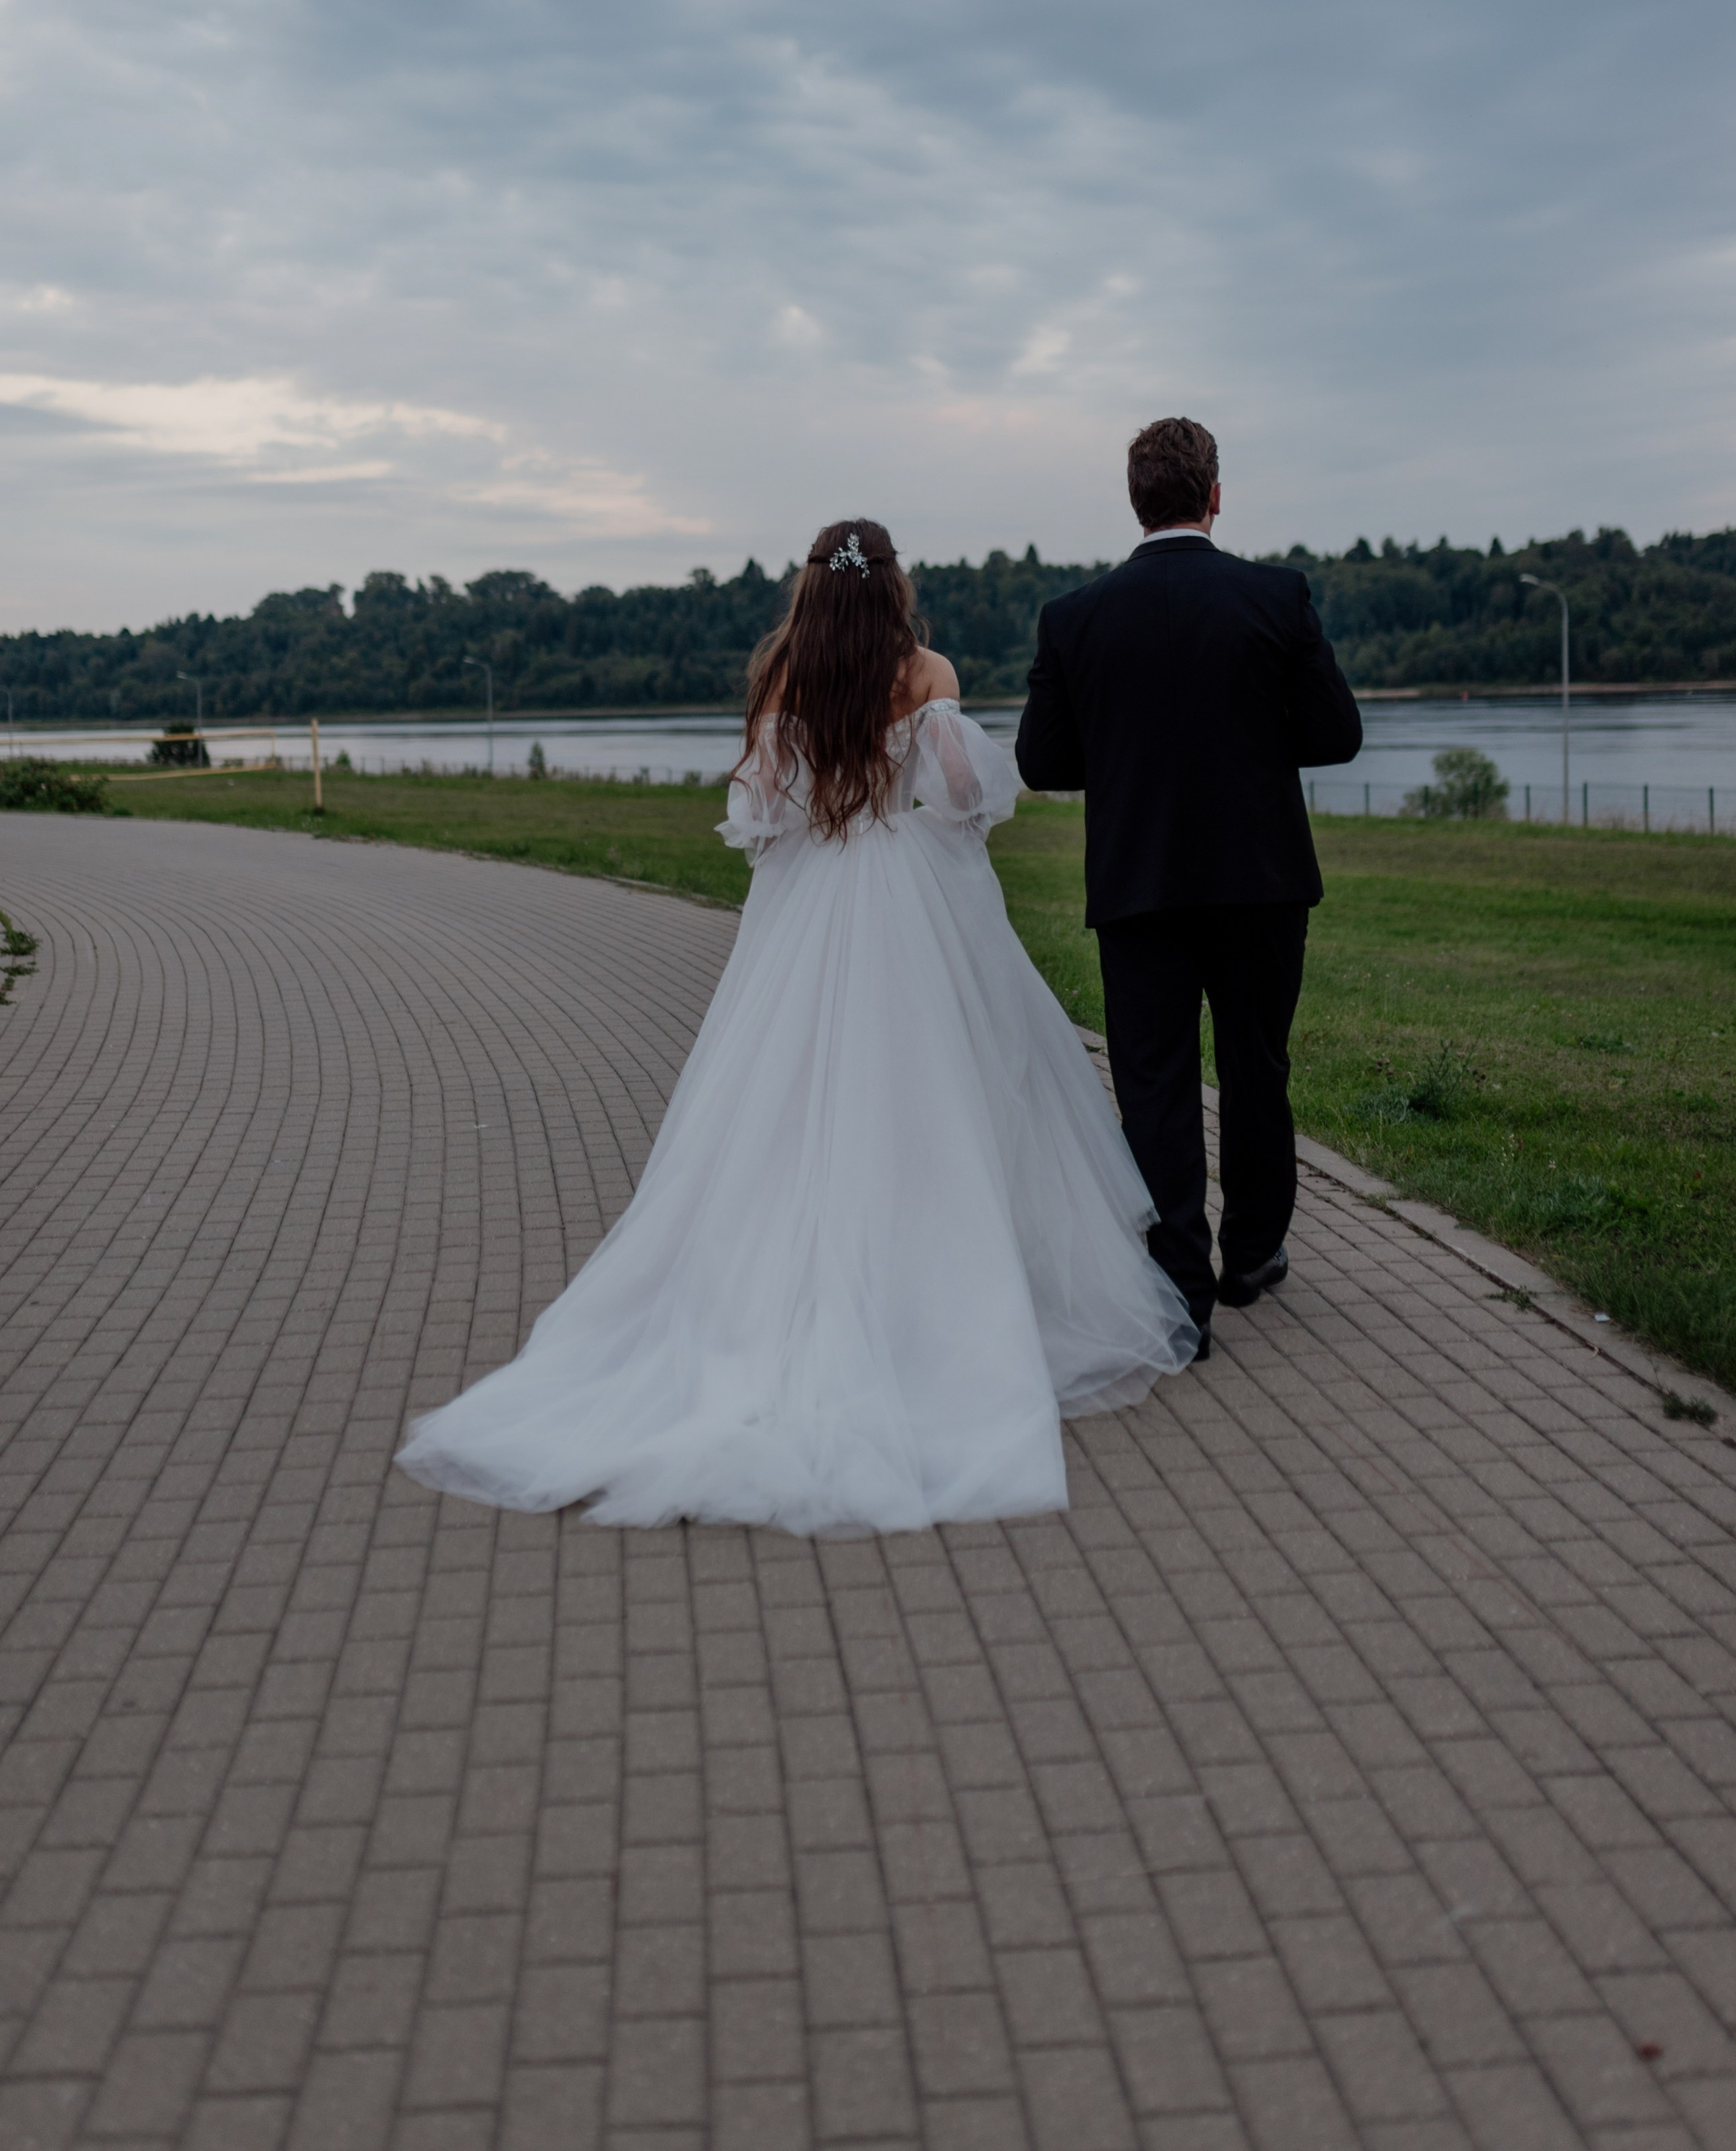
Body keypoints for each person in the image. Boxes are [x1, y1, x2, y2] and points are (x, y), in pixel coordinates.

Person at [397, 518, 1197, 1537]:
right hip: (913, 902)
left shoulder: (785, 672)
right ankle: (940, 1303)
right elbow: (962, 796)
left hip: (816, 900)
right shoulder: (926, 670)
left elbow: (764, 816)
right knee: (940, 1094)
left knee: (790, 1100)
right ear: (894, 585)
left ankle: (781, 1308)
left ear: (811, 589)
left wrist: (826, 797)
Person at [1015, 420, 1362, 1356]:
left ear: (1136, 500)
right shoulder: (1274, 597)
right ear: (1216, 494)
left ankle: (1181, 1294)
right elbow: (1336, 736)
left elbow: (1043, 759)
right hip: (1260, 879)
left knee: (1157, 1086)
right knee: (1258, 1067)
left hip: (1140, 881)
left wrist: (1132, 753)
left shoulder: (1076, 617)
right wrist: (1246, 738)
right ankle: (1253, 1257)